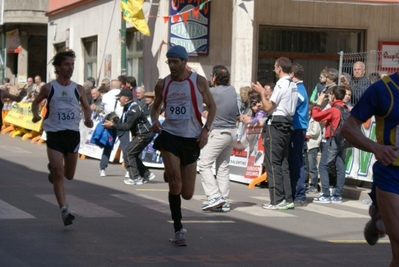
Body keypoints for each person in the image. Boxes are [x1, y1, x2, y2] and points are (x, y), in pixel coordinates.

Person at [151, 45, 216, 246]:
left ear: (184, 62)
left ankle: (171, 172)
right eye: (169, 62)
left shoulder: (199, 82)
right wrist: (154, 121)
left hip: (191, 139)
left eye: (175, 62)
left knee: (187, 193)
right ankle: (179, 229)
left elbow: (212, 107)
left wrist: (206, 130)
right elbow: (154, 109)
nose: (171, 65)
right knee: (176, 185)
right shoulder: (163, 84)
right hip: (169, 136)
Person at [341, 74, 399, 266]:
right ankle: (380, 216)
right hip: (392, 174)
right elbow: (349, 128)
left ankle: (378, 218)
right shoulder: (382, 90)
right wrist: (376, 147)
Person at [31, 50, 93, 226]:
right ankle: (64, 210)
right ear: (58, 67)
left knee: (69, 175)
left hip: (72, 134)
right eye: (67, 64)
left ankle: (54, 169)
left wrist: (88, 118)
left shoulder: (78, 88)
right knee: (59, 173)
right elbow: (36, 103)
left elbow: (87, 107)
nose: (70, 67)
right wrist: (35, 115)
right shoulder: (49, 88)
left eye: (72, 64)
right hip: (55, 133)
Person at [251, 57, 298, 210]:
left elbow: (267, 107)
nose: (274, 70)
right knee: (283, 162)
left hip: (276, 124)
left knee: (273, 163)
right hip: (287, 122)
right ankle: (287, 198)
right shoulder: (293, 84)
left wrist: (262, 93)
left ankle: (276, 200)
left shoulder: (281, 83)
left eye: (274, 67)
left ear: (279, 68)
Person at [198, 65, 237, 213]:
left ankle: (214, 196)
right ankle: (224, 200)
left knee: (204, 164)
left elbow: (200, 98)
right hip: (232, 132)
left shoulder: (212, 92)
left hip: (219, 132)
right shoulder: (232, 90)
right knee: (222, 167)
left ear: (214, 77)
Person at [103, 89, 155, 185]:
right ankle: (146, 174)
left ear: (126, 99)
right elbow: (125, 123)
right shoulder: (128, 107)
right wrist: (114, 122)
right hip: (141, 133)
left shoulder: (133, 109)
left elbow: (127, 126)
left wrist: (113, 125)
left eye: (120, 98)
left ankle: (135, 178)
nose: (119, 100)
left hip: (144, 134)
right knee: (132, 153)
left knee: (128, 153)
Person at [311, 85, 348, 204]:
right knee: (340, 167)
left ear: (333, 95)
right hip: (343, 141)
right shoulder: (345, 109)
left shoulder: (333, 109)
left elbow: (316, 116)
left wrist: (319, 102)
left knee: (323, 166)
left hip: (332, 140)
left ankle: (326, 194)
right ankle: (337, 195)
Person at [289, 63, 309, 207]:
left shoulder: (298, 89)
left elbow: (293, 105)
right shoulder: (297, 88)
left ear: (292, 74)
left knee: (297, 160)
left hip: (297, 128)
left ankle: (300, 194)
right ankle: (294, 191)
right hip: (296, 127)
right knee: (294, 160)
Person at [98, 79, 124, 177]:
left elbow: (101, 109)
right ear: (120, 86)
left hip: (109, 121)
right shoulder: (124, 95)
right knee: (125, 146)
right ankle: (129, 169)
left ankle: (102, 168)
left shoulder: (105, 96)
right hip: (122, 122)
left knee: (108, 145)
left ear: (110, 86)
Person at [305, 103, 322, 193]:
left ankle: (314, 185)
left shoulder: (315, 120)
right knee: (306, 166)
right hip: (307, 145)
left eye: (309, 110)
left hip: (313, 145)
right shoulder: (307, 119)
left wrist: (307, 134)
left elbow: (315, 132)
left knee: (312, 167)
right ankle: (306, 184)